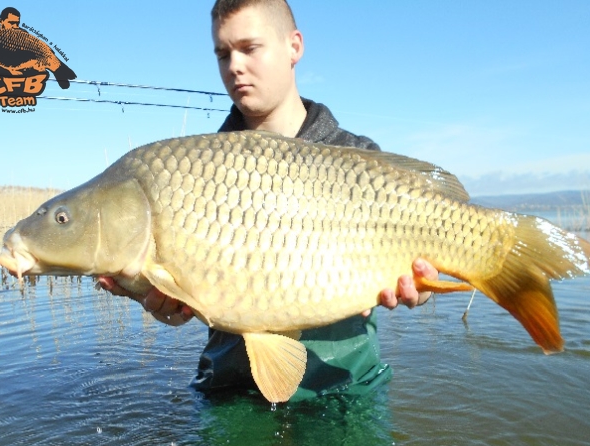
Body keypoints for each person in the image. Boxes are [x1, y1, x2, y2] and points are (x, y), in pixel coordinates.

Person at [99, 0, 438, 401]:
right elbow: (181, 296)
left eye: (249, 48)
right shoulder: (194, 170)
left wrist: (422, 286)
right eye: (223, 54)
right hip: (233, 387)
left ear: (294, 47)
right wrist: (168, 308)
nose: (234, 66)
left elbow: (422, 276)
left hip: (346, 385)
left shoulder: (360, 157)